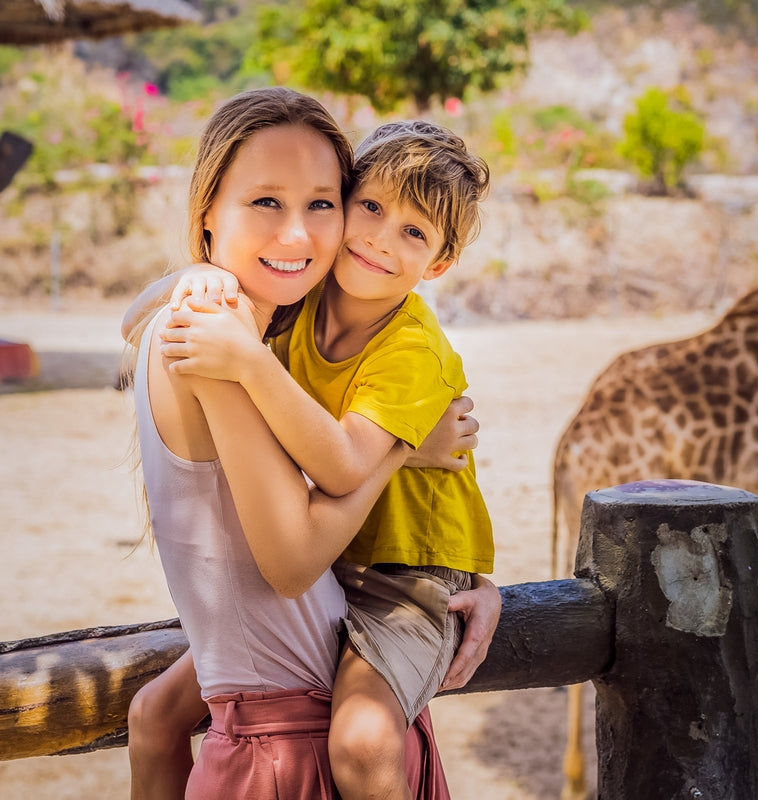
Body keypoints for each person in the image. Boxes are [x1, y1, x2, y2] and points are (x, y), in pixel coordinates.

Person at [125, 88, 500, 800]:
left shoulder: (403, 345)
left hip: (404, 583)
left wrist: (472, 571)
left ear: (441, 263)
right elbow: (319, 509)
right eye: (370, 208)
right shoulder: (272, 317)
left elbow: (337, 464)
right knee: (157, 711)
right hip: (330, 588)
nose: (380, 239)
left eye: (415, 234)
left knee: (360, 741)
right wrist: (195, 276)